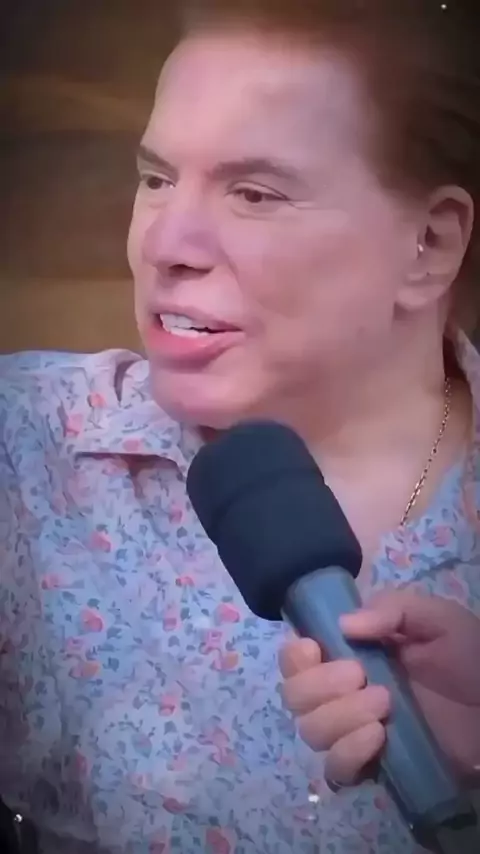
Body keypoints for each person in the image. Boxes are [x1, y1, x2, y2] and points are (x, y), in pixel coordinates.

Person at [0, 1, 479, 851]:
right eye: (156, 179)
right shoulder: (27, 452)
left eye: (255, 193)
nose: (166, 245)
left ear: (430, 245)